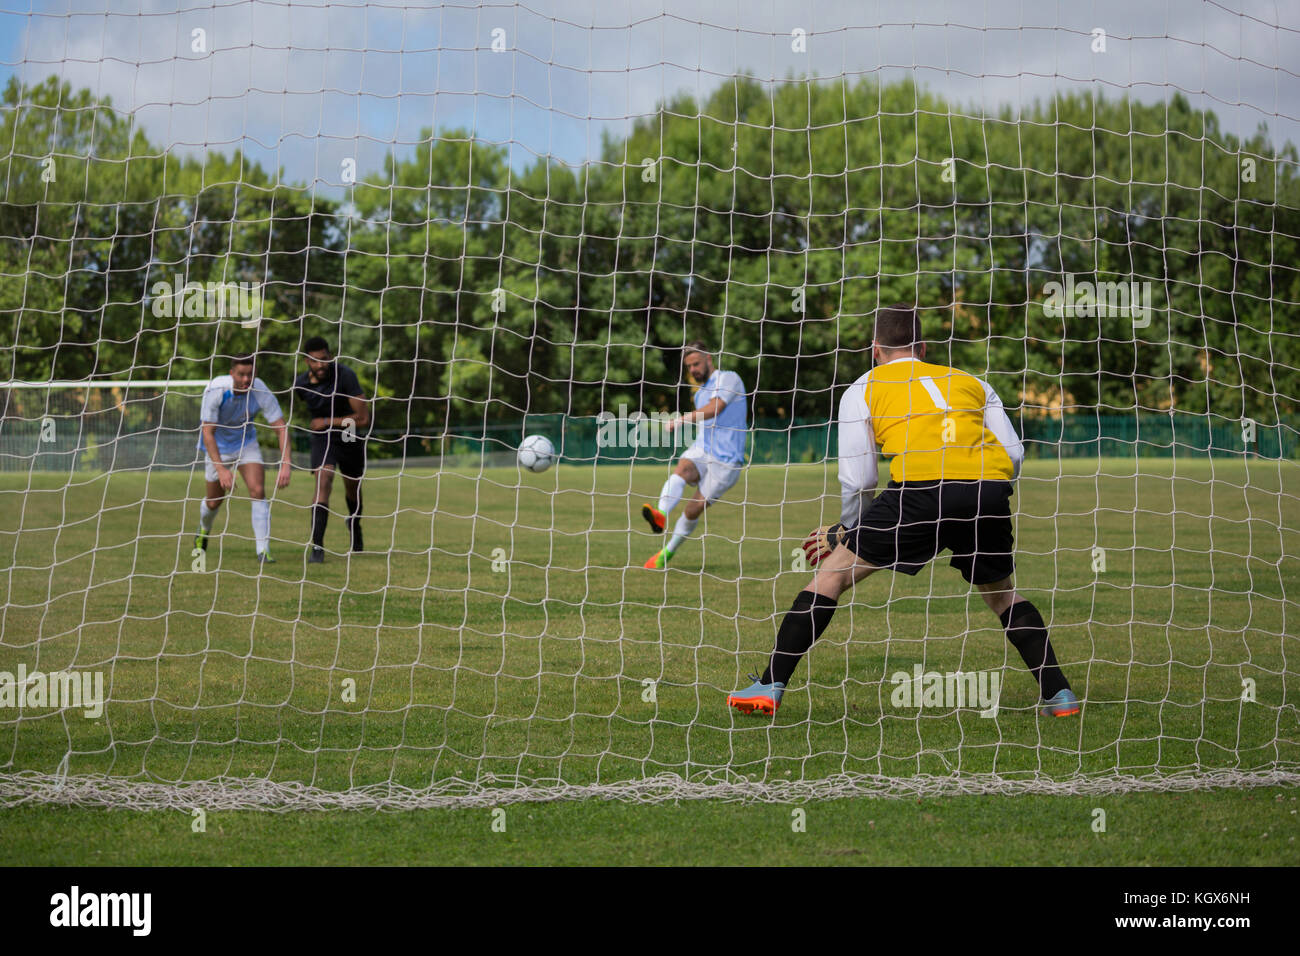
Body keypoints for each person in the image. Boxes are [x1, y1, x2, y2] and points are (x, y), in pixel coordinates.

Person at [727, 305, 1079, 718]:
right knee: (1002, 595)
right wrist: (988, 494)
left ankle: (769, 685)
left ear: (875, 349)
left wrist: (847, 530)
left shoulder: (863, 388)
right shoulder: (972, 383)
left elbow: (859, 480)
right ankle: (1059, 696)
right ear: (924, 347)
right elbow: (1014, 455)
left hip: (920, 492)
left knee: (830, 576)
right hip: (987, 492)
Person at [640, 342, 748, 569]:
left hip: (726, 462)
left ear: (709, 358)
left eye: (696, 364)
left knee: (692, 509)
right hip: (703, 449)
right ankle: (660, 514)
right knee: (683, 468)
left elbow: (715, 408)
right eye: (689, 367)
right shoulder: (699, 395)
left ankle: (666, 553)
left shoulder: (729, 378)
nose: (693, 370)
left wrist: (680, 420)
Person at [194, 353, 291, 563]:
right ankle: (203, 530)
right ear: (232, 374)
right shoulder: (217, 390)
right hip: (217, 448)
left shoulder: (260, 389)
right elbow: (207, 432)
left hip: (246, 444)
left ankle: (263, 550)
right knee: (213, 502)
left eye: (250, 374)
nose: (246, 380)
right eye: (241, 375)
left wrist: (285, 463)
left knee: (258, 490)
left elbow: (281, 427)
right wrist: (221, 469)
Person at [293, 336, 370, 563]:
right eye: (315, 361)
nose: (320, 365)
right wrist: (323, 425)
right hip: (322, 436)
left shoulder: (345, 375)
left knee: (352, 486)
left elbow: (363, 418)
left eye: (324, 359)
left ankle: (354, 524)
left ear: (330, 356)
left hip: (348, 431)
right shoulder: (301, 385)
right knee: (323, 478)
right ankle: (317, 546)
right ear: (306, 361)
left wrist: (328, 420)